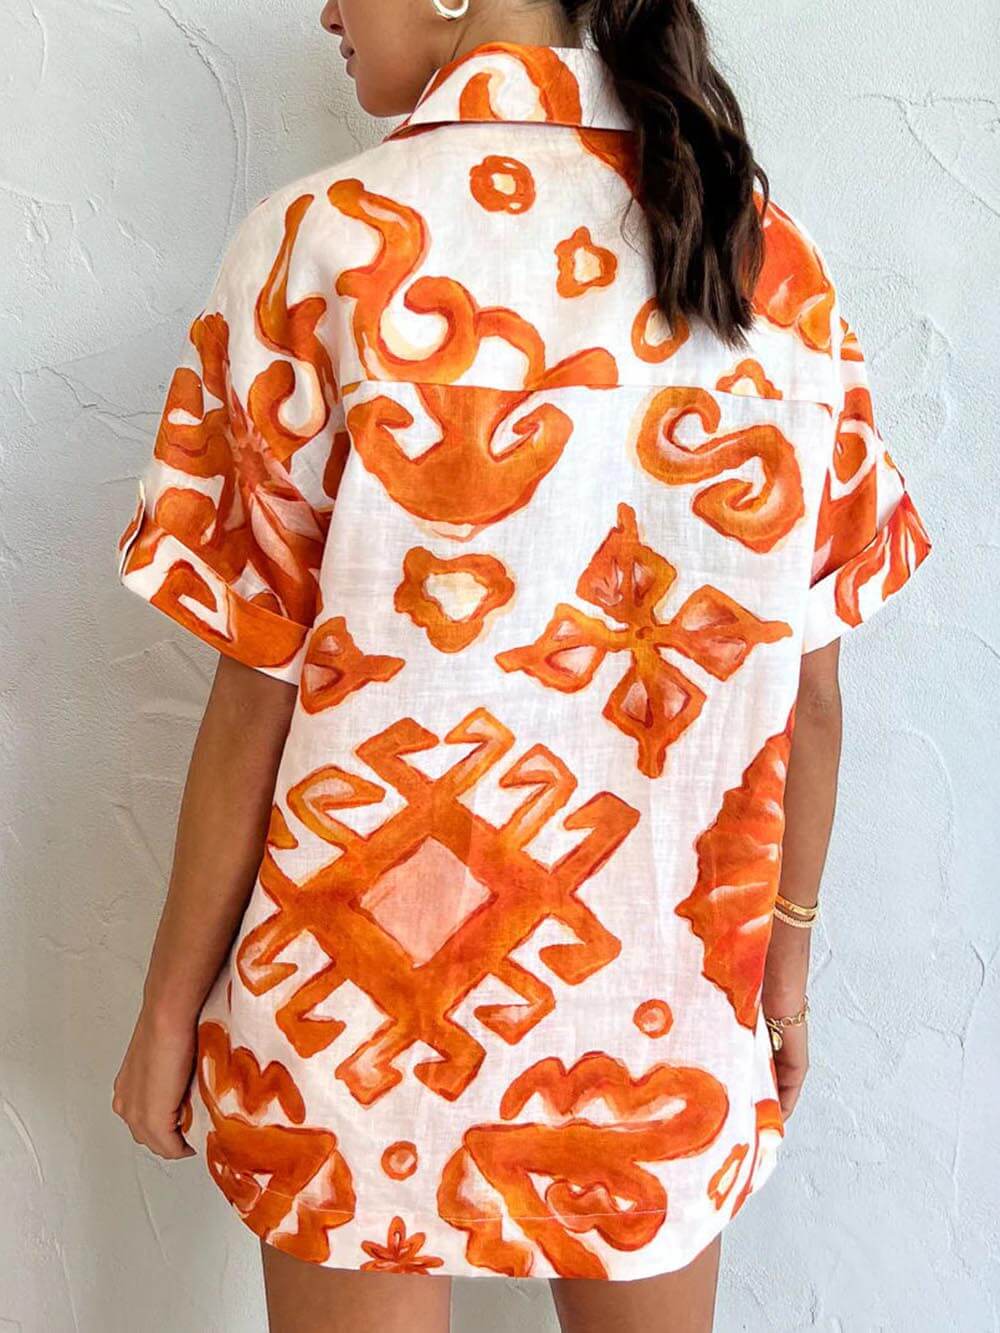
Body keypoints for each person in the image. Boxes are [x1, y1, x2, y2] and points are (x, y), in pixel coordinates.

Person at [110, 0, 934, 1329]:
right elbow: (813, 696)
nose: (327, 10)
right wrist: (784, 965)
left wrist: (166, 1013)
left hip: (347, 1022)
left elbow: (254, 688)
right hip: (661, 1018)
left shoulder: (316, 244)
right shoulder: (762, 261)